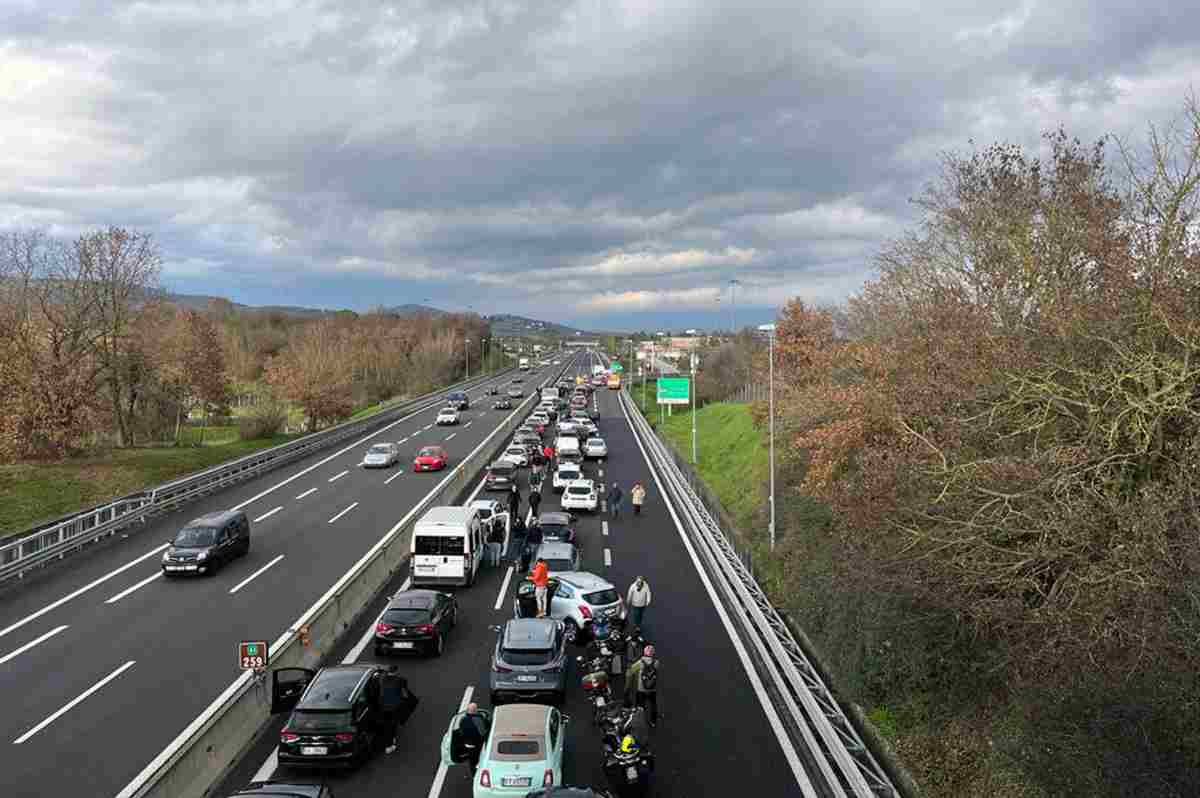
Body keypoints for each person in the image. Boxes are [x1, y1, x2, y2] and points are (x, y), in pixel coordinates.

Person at [381, 666, 419, 754]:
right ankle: (389, 744)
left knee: (387, 725)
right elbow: (405, 692)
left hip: (384, 706)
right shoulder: (401, 680)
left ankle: (389, 742)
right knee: (393, 724)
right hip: (395, 706)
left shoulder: (382, 680)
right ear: (396, 671)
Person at [624, 644, 660, 727]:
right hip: (652, 688)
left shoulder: (640, 662)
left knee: (639, 705)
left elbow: (631, 670)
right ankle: (653, 721)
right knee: (653, 705)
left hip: (641, 689)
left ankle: (639, 721)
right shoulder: (657, 662)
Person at [458, 702, 488, 774]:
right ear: (476, 710)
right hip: (478, 744)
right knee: (480, 759)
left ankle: (473, 773)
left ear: (468, 710)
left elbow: (461, 731)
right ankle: (478, 773)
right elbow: (483, 732)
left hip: (467, 744)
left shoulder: (463, 720)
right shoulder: (478, 719)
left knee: (471, 760)